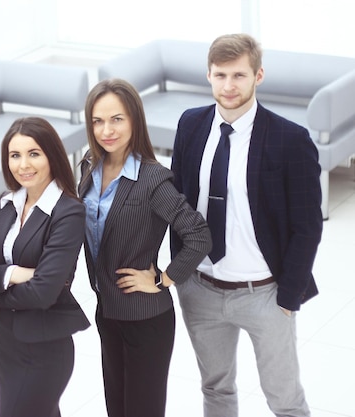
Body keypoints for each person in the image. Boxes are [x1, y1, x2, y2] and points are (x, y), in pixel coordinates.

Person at [170, 33, 323, 417]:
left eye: (239, 75)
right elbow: (176, 203)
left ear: (258, 75)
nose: (229, 86)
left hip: (265, 294)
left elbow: (308, 227)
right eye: (220, 75)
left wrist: (288, 298)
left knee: (285, 400)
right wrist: (179, 275)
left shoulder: (291, 139)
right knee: (216, 389)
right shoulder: (190, 125)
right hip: (201, 289)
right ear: (208, 75)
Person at [79, 78, 211, 417]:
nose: (106, 130)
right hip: (107, 310)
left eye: (116, 119)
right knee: (117, 408)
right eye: (97, 121)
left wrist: (162, 279)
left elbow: (199, 235)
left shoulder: (154, 179)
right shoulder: (88, 168)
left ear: (135, 120)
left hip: (145, 317)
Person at [0, 116, 90, 417]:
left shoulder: (68, 212)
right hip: (6, 340)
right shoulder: (7, 203)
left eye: (34, 153)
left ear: (52, 156)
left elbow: (44, 293)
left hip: (45, 346)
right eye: (15, 155)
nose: (23, 165)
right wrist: (14, 274)